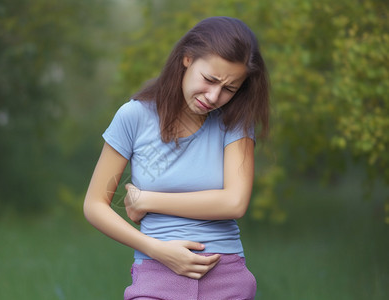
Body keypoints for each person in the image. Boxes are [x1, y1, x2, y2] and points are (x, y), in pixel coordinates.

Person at [84, 16, 269, 300]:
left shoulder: (235, 121)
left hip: (227, 277)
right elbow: (95, 204)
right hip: (155, 274)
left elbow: (235, 202)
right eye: (209, 80)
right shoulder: (134, 117)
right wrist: (156, 249)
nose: (214, 96)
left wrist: (147, 200)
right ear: (187, 58)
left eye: (229, 89)